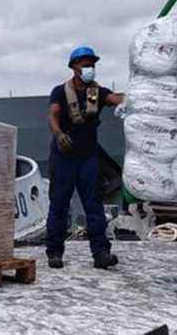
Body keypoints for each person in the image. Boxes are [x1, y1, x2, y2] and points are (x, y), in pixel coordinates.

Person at [46, 46, 124, 270]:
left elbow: (114, 98)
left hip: (88, 157)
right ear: (74, 67)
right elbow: (52, 115)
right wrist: (59, 134)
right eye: (85, 64)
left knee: (94, 205)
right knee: (59, 204)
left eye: (92, 65)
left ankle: (101, 253)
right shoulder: (60, 91)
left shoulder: (98, 92)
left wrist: (132, 99)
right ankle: (54, 252)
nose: (90, 69)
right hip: (63, 157)